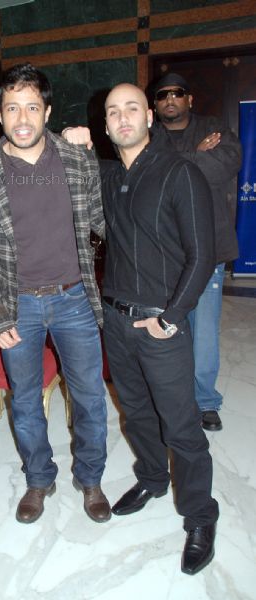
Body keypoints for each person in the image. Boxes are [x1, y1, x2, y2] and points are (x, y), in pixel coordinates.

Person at [64, 83, 219, 575]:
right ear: (106, 126)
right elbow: (63, 166)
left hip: (160, 323)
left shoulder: (180, 172)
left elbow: (203, 255)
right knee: (135, 413)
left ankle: (200, 515)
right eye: (113, 111)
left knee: (182, 426)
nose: (123, 117)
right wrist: (74, 142)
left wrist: (171, 318)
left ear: (149, 117)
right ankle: (152, 478)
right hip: (116, 319)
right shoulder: (109, 176)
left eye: (132, 108)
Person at [0, 63, 111, 525]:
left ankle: (91, 479)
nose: (22, 119)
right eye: (12, 108)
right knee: (24, 400)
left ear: (46, 111)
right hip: (16, 304)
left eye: (31, 107)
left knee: (89, 397)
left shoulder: (77, 159)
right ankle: (39, 479)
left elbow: (104, 221)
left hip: (74, 298)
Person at [153, 72, 242, 432]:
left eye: (177, 93)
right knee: (167, 330)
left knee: (203, 331)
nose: (170, 99)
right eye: (162, 95)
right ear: (155, 104)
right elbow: (148, 173)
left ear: (189, 99)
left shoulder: (214, 127)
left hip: (209, 248)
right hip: (163, 251)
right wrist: (195, 157)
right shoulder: (150, 135)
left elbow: (228, 163)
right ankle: (174, 397)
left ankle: (205, 401)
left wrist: (176, 162)